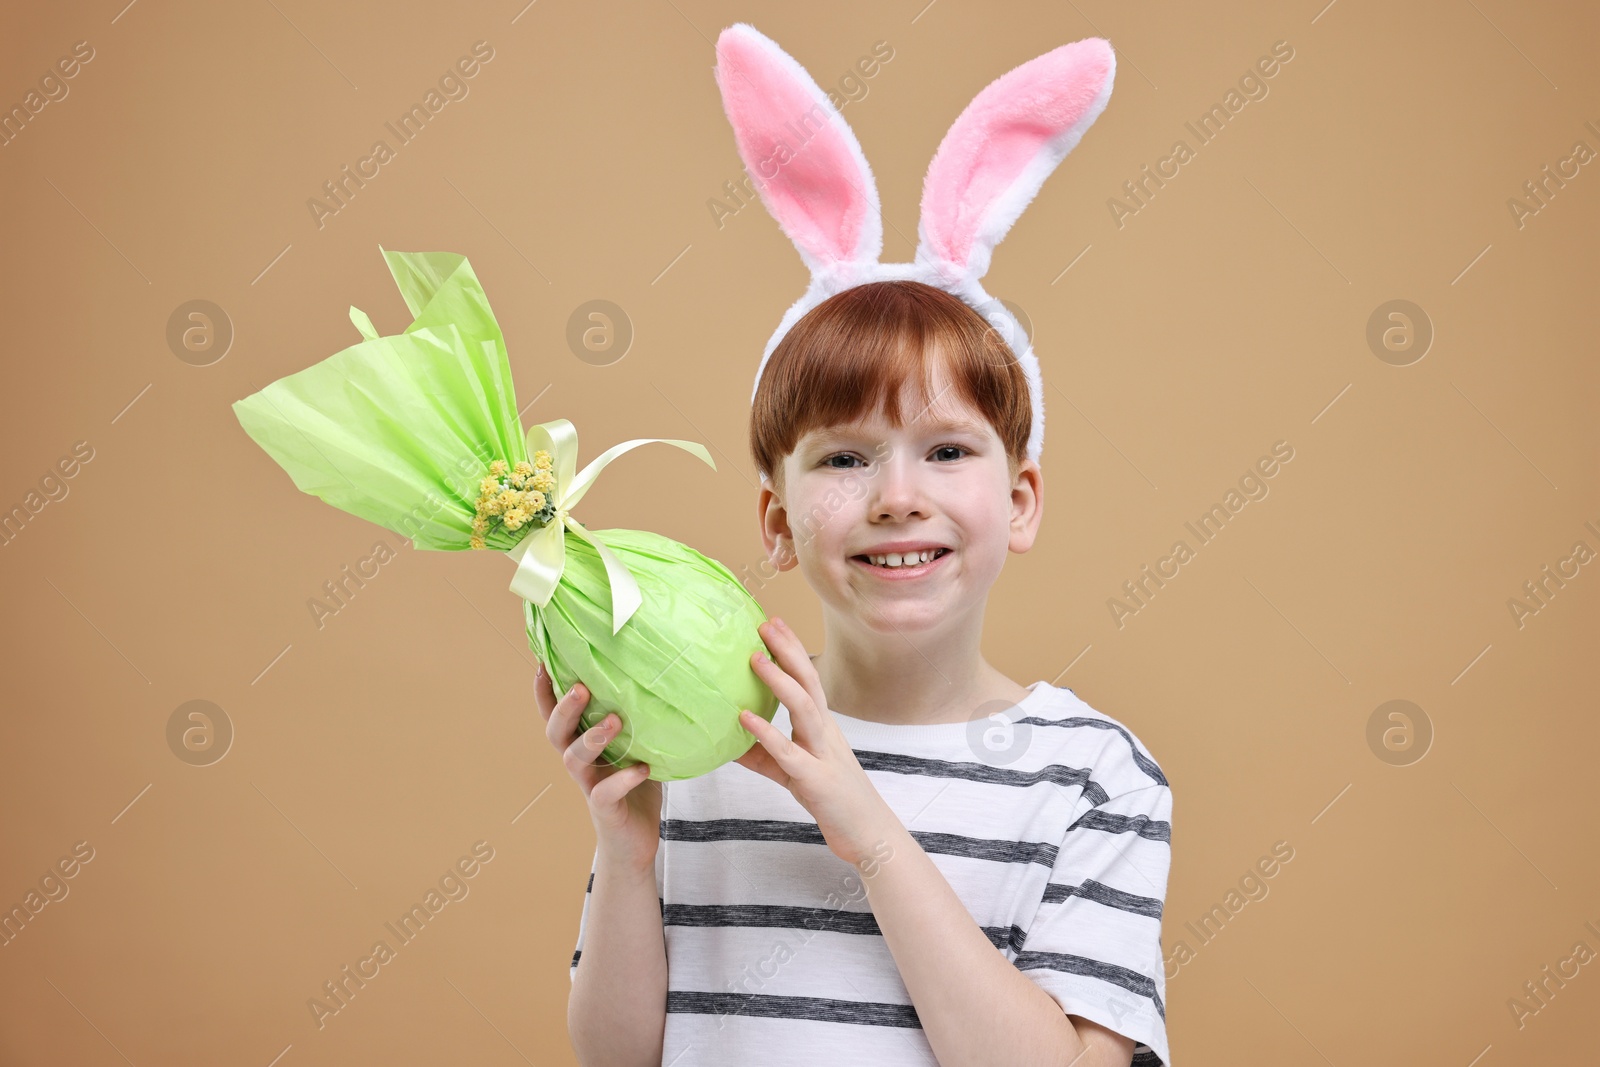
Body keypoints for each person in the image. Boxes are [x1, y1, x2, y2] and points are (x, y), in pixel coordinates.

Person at [548, 23, 1172, 1067]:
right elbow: (618, 1056)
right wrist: (628, 844)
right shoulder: (703, 748)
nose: (895, 496)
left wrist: (868, 828)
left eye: (944, 450)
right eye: (842, 460)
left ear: (1019, 499)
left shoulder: (1093, 774)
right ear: (775, 521)